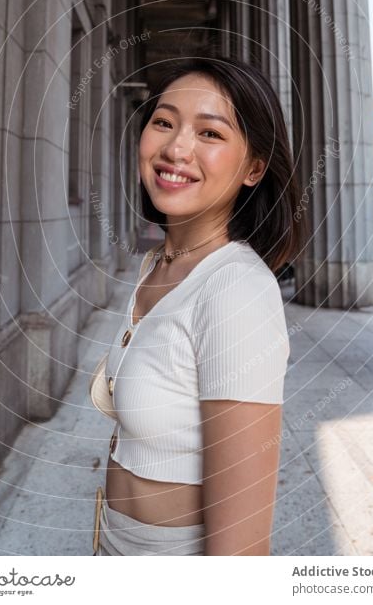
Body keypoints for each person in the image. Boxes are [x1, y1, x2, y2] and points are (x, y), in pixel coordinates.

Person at [95, 56, 304, 556]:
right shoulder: (157, 266)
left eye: (210, 134)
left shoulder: (236, 291)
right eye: (164, 122)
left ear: (254, 167)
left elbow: (243, 550)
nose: (176, 148)